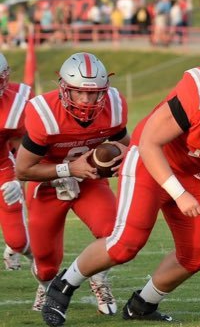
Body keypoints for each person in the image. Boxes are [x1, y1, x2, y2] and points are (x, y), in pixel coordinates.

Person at [40, 39, 200, 327]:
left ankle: (142, 305)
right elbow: (149, 142)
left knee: (196, 255)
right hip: (150, 160)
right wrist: (179, 193)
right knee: (126, 244)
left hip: (192, 170)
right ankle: (63, 285)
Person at [15, 52, 130, 314]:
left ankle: (98, 277)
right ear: (64, 88)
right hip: (48, 184)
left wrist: (116, 161)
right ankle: (46, 286)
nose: (87, 100)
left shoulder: (113, 105)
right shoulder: (43, 112)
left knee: (114, 234)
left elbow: (124, 146)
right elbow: (23, 170)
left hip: (89, 180)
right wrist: (68, 168)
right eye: (79, 92)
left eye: (94, 93)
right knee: (46, 264)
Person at [0, 53, 32, 271]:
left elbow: (29, 147)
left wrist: (18, 179)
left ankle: (35, 256)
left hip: (2, 167)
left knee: (18, 241)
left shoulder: (16, 104)